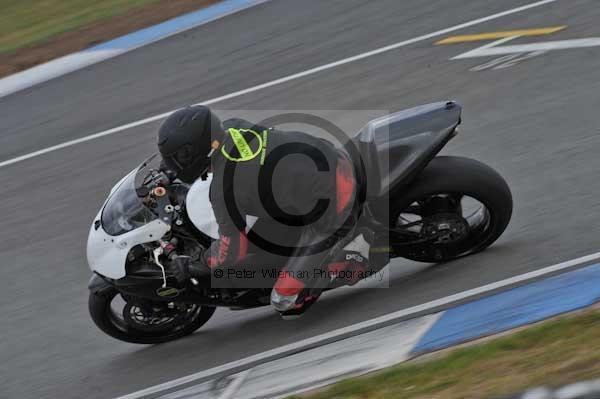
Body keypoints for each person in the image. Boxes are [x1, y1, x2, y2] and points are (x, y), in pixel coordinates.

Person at [158, 105, 368, 317]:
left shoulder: (225, 189)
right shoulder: (232, 127)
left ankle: (351, 258)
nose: (174, 164)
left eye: (179, 158)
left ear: (194, 151)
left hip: (336, 204)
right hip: (324, 160)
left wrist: (197, 262)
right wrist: (169, 171)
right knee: (262, 236)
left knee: (285, 300)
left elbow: (230, 252)